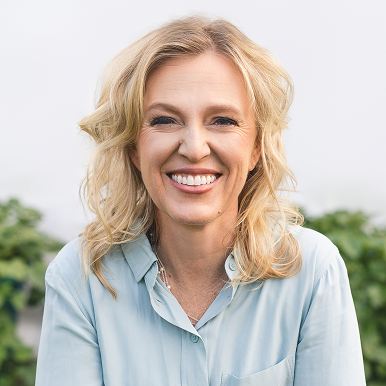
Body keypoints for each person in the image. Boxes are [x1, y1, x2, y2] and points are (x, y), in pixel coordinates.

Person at [35, 16, 366, 386]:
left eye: (222, 120)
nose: (194, 148)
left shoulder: (312, 273)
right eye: (164, 120)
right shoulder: (80, 279)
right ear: (132, 147)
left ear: (257, 146)